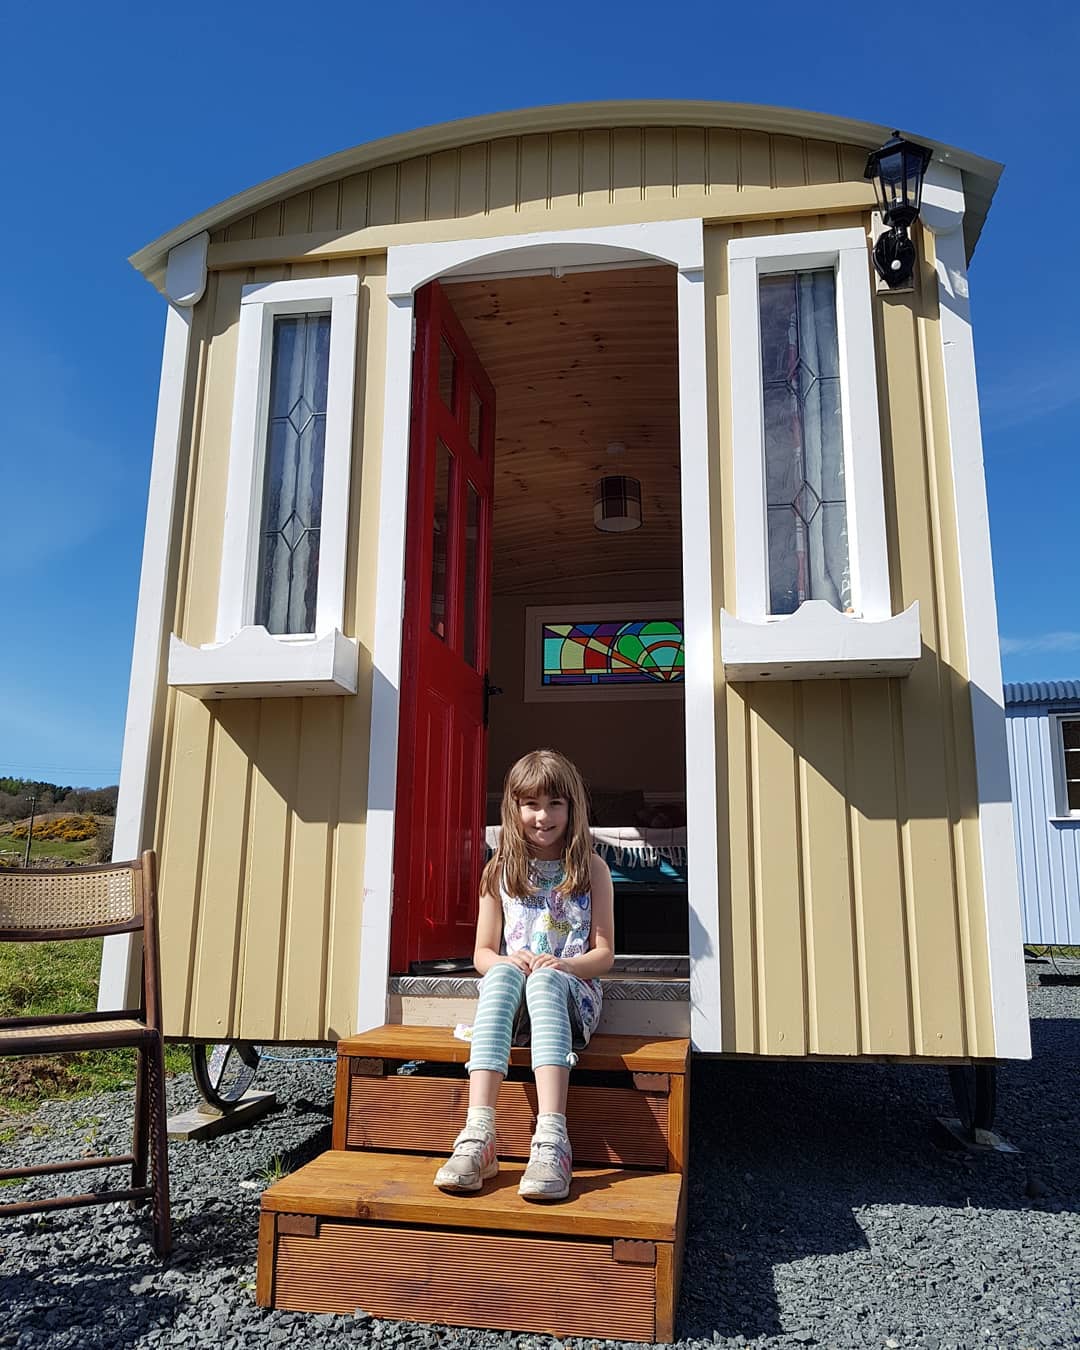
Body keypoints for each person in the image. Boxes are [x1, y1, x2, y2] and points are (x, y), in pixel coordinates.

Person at [434, 748, 614, 1201]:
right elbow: (482, 953)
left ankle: (553, 1139)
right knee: (499, 974)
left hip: (570, 999)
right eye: (531, 804)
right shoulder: (499, 872)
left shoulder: (591, 870)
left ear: (572, 808)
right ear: (513, 809)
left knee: (546, 978)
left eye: (555, 803)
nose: (543, 815)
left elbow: (605, 955)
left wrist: (565, 964)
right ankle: (479, 1134)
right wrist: (506, 962)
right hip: (515, 1009)